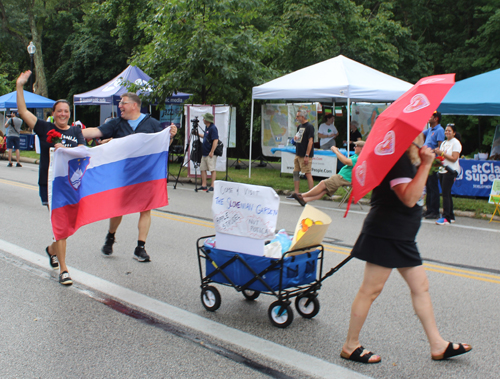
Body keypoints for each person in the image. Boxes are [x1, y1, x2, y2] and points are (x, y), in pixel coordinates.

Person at [341, 134, 471, 364]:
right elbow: (409, 198)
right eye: (420, 133)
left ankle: (437, 345)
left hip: (401, 235)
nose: (424, 137)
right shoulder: (397, 157)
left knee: (421, 287)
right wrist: (427, 165)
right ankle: (350, 346)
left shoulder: (406, 158)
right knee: (371, 289)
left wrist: (423, 162)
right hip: (386, 232)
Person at [81, 92, 177, 263]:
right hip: (122, 176)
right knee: (118, 209)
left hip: (145, 176)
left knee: (146, 209)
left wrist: (170, 136)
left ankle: (140, 247)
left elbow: (162, 146)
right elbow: (96, 131)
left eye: (123, 103)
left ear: (134, 105)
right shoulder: (116, 124)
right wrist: (74, 132)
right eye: (120, 104)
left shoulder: (152, 124)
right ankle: (111, 237)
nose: (120, 106)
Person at [16, 70, 86, 286]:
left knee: (70, 227)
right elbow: (23, 111)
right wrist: (20, 86)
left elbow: (84, 152)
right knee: (61, 226)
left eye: (66, 111)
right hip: (50, 187)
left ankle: (51, 250)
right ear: (53, 113)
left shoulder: (75, 131)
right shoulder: (44, 128)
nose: (63, 114)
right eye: (59, 111)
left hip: (72, 187)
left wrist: (66, 149)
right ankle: (64, 270)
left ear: (69, 114)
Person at [289, 141, 364, 206]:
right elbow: (345, 159)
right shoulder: (356, 156)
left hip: (344, 178)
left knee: (323, 183)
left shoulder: (359, 158)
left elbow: (346, 161)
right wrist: (338, 152)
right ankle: (305, 200)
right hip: (344, 177)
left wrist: (336, 151)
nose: (354, 147)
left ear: (361, 149)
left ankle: (301, 195)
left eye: (356, 146)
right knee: (325, 190)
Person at [434, 123, 462, 225]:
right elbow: (442, 157)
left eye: (449, 131)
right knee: (447, 193)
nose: (447, 132)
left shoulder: (456, 143)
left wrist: (441, 153)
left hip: (450, 170)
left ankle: (445, 217)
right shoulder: (444, 143)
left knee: (445, 194)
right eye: (446, 130)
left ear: (454, 133)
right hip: (442, 169)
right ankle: (450, 215)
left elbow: (454, 158)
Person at [286, 108, 315, 198]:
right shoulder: (299, 126)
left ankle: (311, 194)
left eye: (298, 116)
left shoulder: (309, 127)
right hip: (298, 153)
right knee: (295, 172)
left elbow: (310, 141)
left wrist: (307, 155)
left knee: (307, 173)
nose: (297, 117)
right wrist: (295, 139)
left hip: (305, 154)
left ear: (303, 116)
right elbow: (299, 137)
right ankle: (296, 193)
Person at [422, 111, 445, 219]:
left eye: (430, 116)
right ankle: (429, 209)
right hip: (427, 160)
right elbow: (420, 134)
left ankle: (435, 211)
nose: (428, 118)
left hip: (433, 161)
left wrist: (437, 158)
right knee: (428, 186)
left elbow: (441, 148)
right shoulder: (430, 130)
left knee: (433, 186)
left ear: (436, 118)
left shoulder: (439, 130)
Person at [198, 112, 219, 192]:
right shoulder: (207, 127)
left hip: (210, 153)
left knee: (212, 169)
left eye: (204, 118)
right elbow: (206, 136)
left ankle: (213, 185)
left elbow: (215, 140)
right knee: (203, 168)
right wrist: (198, 134)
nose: (203, 119)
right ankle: (204, 185)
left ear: (207, 120)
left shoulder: (213, 128)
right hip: (204, 152)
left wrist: (212, 151)